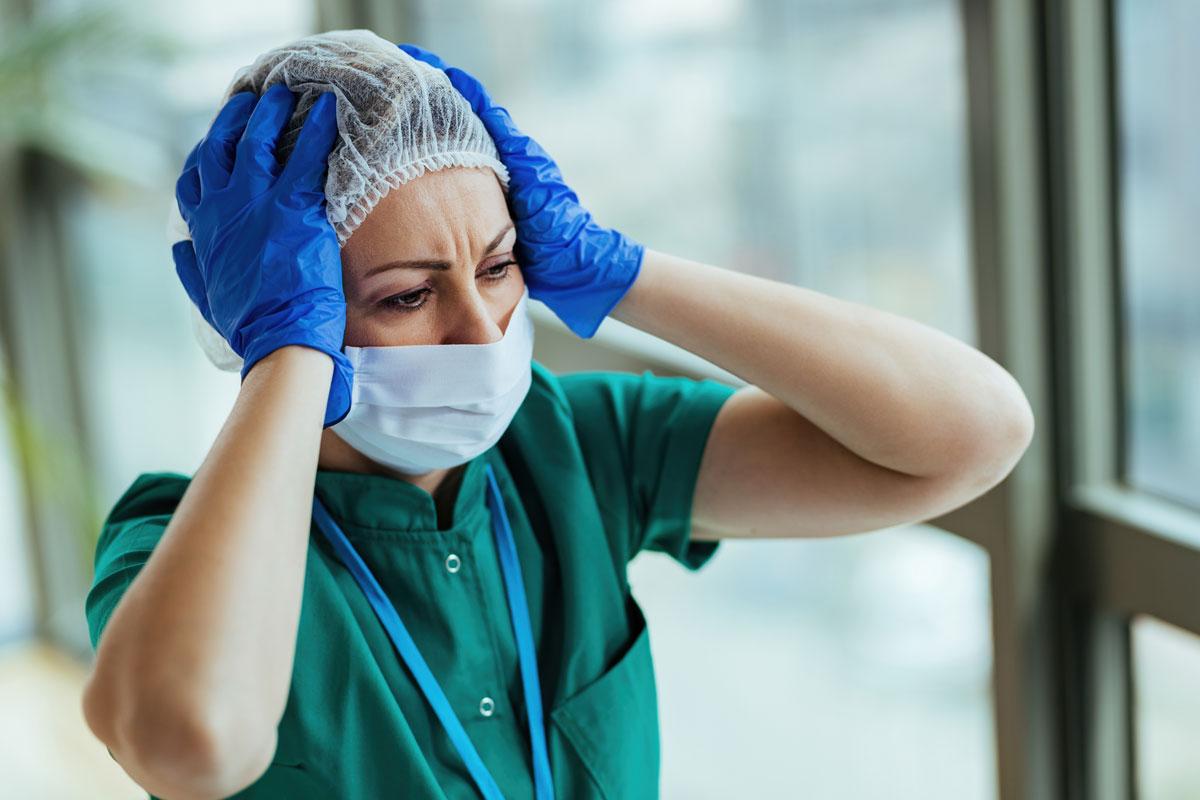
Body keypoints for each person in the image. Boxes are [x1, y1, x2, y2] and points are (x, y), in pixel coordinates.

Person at [79, 29, 1035, 800]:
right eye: (408, 298)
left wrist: (618, 271)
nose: (482, 330)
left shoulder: (569, 445)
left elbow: (972, 435)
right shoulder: (170, 542)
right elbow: (193, 743)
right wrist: (284, 357)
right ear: (269, 314)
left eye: (499, 267)